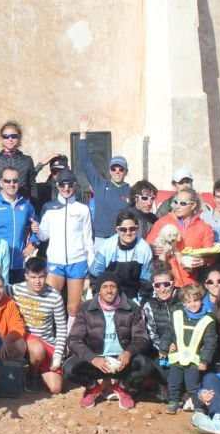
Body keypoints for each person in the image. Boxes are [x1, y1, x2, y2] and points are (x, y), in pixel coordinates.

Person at [64, 272, 153, 410]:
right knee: (69, 369)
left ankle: (122, 387)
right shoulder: (86, 308)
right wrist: (92, 358)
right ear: (99, 289)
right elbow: (74, 339)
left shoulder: (131, 307)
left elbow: (141, 338)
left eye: (113, 286)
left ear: (118, 289)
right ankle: (92, 387)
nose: (109, 290)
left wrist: (129, 352)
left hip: (122, 361)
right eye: (105, 286)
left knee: (145, 365)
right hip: (98, 361)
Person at [38, 169, 94, 316]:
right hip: (56, 262)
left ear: (74, 185)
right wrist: (37, 230)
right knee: (49, 306)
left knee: (73, 309)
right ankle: (52, 338)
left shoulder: (83, 209)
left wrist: (91, 263)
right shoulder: (48, 207)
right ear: (57, 185)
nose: (66, 189)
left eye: (70, 185)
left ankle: (72, 338)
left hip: (77, 261)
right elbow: (43, 236)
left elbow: (88, 240)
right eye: (63, 185)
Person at [11, 256, 67, 394]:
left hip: (46, 341)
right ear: (26, 276)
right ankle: (32, 374)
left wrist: (58, 356)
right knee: (37, 349)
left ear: (46, 275)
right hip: (25, 337)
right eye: (33, 277)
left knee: (55, 389)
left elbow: (61, 329)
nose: (37, 281)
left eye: (41, 277)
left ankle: (36, 367)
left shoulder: (55, 297)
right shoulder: (15, 289)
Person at [74, 115, 131, 246]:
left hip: (122, 240)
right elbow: (85, 162)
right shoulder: (100, 184)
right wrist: (82, 134)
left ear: (126, 172)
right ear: (110, 170)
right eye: (114, 168)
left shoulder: (131, 191)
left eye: (121, 169)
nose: (117, 171)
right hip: (101, 240)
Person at [161, 283, 218, 414]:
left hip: (194, 360)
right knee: (173, 382)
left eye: (196, 300)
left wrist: (204, 360)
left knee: (193, 385)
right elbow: (169, 333)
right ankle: (173, 401)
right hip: (177, 357)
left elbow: (210, 343)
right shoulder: (177, 315)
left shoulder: (208, 320)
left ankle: (198, 405)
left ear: (201, 300)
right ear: (184, 303)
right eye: (188, 301)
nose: (193, 304)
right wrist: (163, 349)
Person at [146, 187, 216, 287]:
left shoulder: (204, 228)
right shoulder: (162, 222)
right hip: (165, 282)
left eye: (182, 203)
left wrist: (205, 261)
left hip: (190, 283)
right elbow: (146, 246)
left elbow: (211, 255)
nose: (177, 206)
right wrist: (152, 249)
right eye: (176, 202)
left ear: (193, 206)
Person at [0, 166, 38, 284]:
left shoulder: (26, 205)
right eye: (7, 181)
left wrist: (32, 243)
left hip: (19, 263)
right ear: (1, 183)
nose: (11, 184)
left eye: (15, 181)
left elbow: (36, 226)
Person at [88, 209, 153, 302]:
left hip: (133, 297)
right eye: (123, 229)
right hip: (109, 295)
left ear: (137, 228)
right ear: (117, 230)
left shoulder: (144, 248)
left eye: (132, 229)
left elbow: (146, 281)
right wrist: (99, 299)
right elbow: (95, 276)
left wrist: (141, 303)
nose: (128, 233)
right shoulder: (107, 247)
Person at [141, 263, 179, 402]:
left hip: (185, 347)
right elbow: (151, 335)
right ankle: (163, 385)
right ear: (153, 287)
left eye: (166, 284)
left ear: (173, 284)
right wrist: (165, 347)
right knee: (165, 369)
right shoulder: (148, 305)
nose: (162, 289)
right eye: (158, 285)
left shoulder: (183, 299)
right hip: (162, 351)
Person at [0, 120, 36, 201]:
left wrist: (35, 207)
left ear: (19, 138)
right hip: (0, 206)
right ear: (2, 139)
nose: (10, 139)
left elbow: (32, 186)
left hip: (22, 204)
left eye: (14, 136)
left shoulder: (27, 160)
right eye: (6, 136)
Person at [0, 271, 27, 360]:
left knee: (21, 344)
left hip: (5, 343)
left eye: (0, 287)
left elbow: (18, 327)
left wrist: (5, 341)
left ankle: (9, 370)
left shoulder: (9, 303)